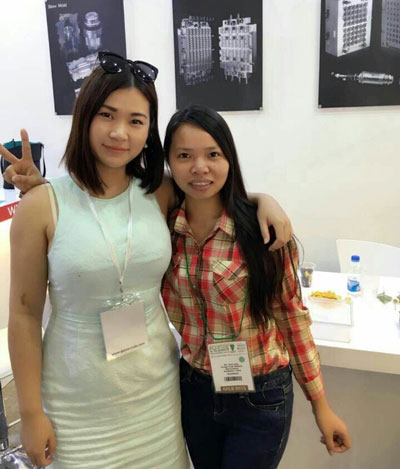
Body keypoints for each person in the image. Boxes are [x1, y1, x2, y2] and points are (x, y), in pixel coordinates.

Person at [0, 53, 293, 468]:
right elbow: (25, 314)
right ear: (84, 117)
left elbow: (212, 190)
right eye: (107, 115)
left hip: (155, 391)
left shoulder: (159, 192)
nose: (119, 132)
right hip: (77, 398)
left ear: (149, 130)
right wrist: (31, 413)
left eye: (136, 121)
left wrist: (264, 200)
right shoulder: (40, 207)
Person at [162, 105, 351, 469]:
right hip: (195, 389)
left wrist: (321, 406)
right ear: (169, 162)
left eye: (213, 154)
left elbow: (292, 319)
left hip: (261, 394)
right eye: (184, 156)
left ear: (229, 159)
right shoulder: (163, 231)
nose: (199, 167)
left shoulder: (262, 232)